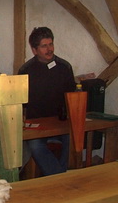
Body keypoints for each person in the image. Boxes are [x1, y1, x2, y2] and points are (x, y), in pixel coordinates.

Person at [18, 26, 76, 176]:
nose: (49, 49)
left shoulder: (64, 67)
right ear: (34, 50)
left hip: (61, 124)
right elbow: (20, 103)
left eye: (51, 44)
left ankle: (59, 176)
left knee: (74, 138)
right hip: (37, 127)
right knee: (35, 146)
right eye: (44, 46)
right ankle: (60, 178)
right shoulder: (26, 71)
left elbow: (72, 97)